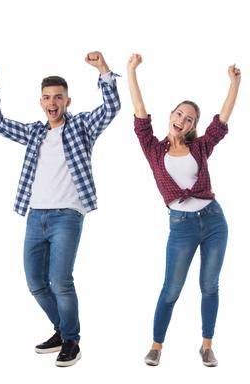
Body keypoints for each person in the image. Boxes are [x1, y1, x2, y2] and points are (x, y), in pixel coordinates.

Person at [0, 50, 121, 368]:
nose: (52, 102)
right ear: (41, 102)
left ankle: (72, 340)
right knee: (35, 282)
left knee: (60, 280)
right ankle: (63, 329)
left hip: (68, 215)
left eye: (58, 97)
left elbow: (111, 108)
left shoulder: (82, 126)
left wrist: (103, 70)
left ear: (67, 101)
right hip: (36, 215)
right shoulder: (35, 132)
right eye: (47, 97)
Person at [128, 55, 239, 368]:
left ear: (193, 126)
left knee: (209, 286)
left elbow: (223, 120)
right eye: (180, 114)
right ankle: (156, 345)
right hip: (181, 226)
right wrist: (131, 71)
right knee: (171, 289)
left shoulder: (202, 146)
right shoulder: (153, 148)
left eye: (190, 119)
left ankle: (206, 346)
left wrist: (234, 83)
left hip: (215, 221)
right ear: (171, 116)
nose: (183, 120)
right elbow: (139, 112)